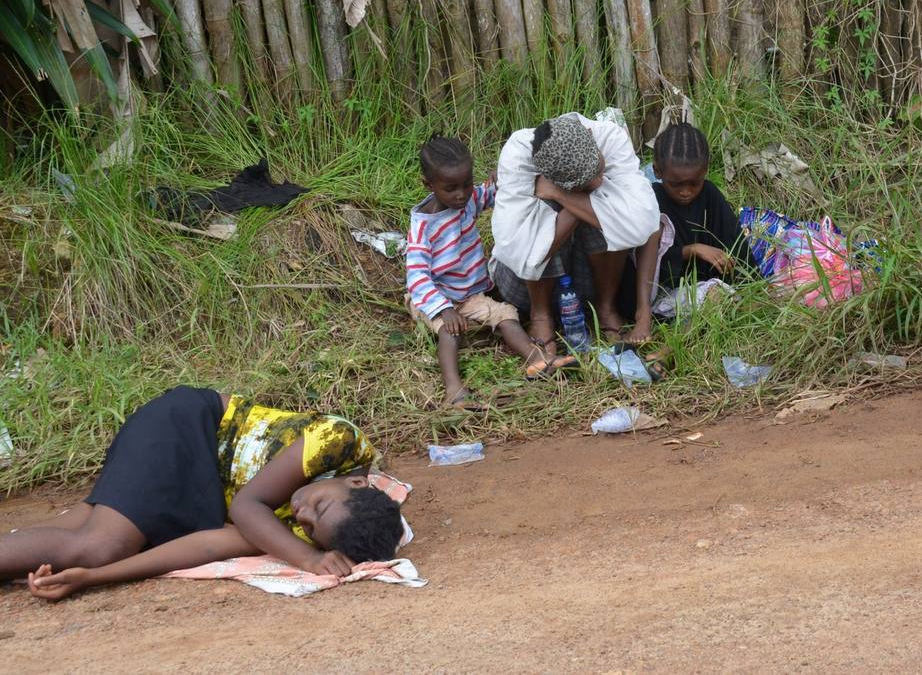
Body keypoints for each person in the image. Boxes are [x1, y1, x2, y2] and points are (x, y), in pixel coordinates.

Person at [4, 387, 402, 601]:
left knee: (82, 545)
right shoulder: (340, 441)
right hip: (191, 430)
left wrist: (92, 579)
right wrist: (307, 558)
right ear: (355, 482)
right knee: (101, 544)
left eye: (309, 527)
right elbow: (248, 504)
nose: (302, 513)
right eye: (318, 504)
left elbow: (210, 546)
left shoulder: (318, 531)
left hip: (202, 486)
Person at [407, 135, 573, 405]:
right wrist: (443, 309)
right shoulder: (423, 226)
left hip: (470, 295)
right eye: (451, 188)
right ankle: (454, 389)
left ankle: (538, 361)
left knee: (506, 315)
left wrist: (504, 180)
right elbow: (417, 279)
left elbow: (494, 196)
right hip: (435, 298)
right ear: (429, 184)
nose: (462, 194)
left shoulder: (468, 199)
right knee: (450, 332)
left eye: (467, 184)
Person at [490, 113, 661, 351]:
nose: (599, 180)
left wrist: (563, 195)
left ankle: (605, 308)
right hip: (523, 287)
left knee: (609, 204)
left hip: (584, 281)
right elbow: (521, 254)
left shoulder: (609, 137)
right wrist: (570, 204)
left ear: (590, 137)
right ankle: (542, 317)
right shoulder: (519, 154)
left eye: (598, 170)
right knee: (545, 212)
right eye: (587, 182)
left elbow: (643, 222)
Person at [651, 123, 750, 289]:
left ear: (705, 171)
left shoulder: (709, 193)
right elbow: (649, 260)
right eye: (676, 184)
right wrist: (692, 250)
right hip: (669, 289)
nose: (686, 192)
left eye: (695, 183)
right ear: (657, 171)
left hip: (713, 282)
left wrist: (750, 283)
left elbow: (736, 243)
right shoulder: (651, 200)